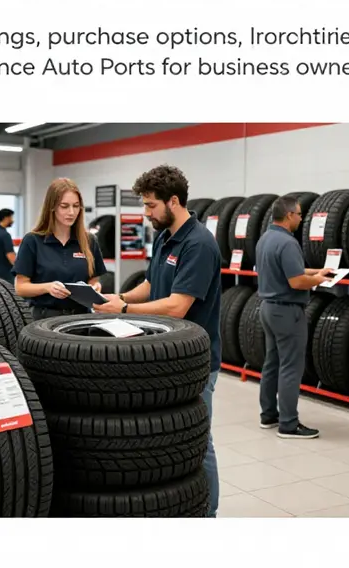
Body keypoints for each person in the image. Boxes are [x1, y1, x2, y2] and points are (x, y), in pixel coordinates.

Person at [96, 165, 222, 518]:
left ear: (174, 201)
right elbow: (151, 286)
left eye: (151, 206)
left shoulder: (198, 244)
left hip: (195, 362)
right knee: (168, 438)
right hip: (163, 356)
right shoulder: (165, 236)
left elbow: (178, 306)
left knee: (199, 442)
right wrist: (116, 298)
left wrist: (122, 306)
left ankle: (208, 513)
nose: (146, 213)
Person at [255, 195, 335, 439]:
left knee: (272, 363)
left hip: (268, 308)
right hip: (288, 312)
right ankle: (288, 424)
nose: (301, 218)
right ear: (289, 215)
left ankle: (268, 415)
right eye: (299, 214)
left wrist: (317, 271)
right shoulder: (288, 243)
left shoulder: (265, 239)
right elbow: (297, 281)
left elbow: (291, 270)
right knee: (291, 367)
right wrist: (319, 280)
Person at [14, 178, 106, 320]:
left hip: (81, 318)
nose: (71, 212)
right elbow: (20, 287)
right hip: (43, 319)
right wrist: (47, 287)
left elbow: (94, 280)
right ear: (52, 207)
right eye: (64, 206)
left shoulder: (89, 241)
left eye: (76, 206)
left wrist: (95, 288)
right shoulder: (32, 241)